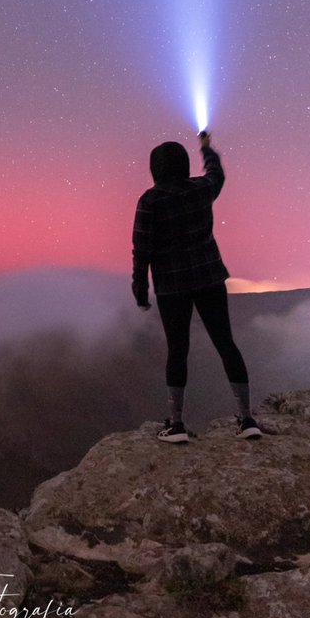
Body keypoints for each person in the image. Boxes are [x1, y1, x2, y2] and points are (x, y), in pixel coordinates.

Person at [132, 130, 261, 442]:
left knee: (178, 350)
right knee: (226, 343)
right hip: (209, 278)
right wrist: (207, 148)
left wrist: (140, 288)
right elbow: (216, 174)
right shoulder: (200, 189)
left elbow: (142, 249)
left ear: (155, 168)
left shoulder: (150, 201)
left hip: (171, 286)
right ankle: (246, 419)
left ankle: (176, 425)